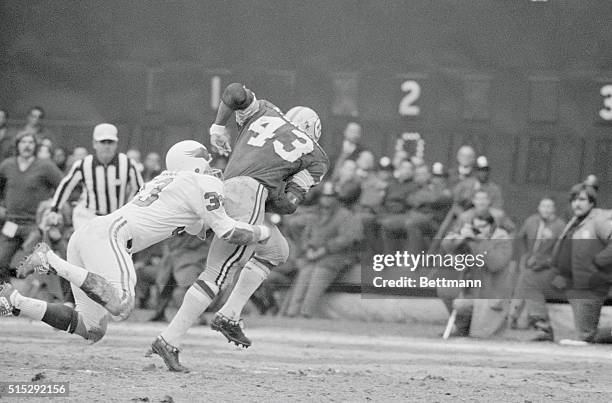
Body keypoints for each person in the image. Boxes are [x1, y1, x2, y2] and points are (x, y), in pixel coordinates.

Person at [0, 140, 272, 350]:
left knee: (91, 327)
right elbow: (227, 231)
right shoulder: (202, 181)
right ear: (195, 164)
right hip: (112, 235)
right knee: (123, 305)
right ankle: (52, 261)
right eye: (208, 161)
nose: (214, 167)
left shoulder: (169, 180)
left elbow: (201, 228)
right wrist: (262, 230)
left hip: (92, 234)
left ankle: (16, 302)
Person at [153, 83, 328, 371]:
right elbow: (289, 204)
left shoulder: (266, 111)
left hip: (222, 188)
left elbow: (234, 91)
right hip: (252, 195)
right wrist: (274, 183)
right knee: (217, 272)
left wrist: (218, 128)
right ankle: (169, 340)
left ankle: (230, 313)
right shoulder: (316, 155)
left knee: (276, 250)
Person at [286, 182, 363, 317]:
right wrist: (308, 248)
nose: (327, 200)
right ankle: (292, 313)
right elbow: (306, 235)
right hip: (313, 255)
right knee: (305, 272)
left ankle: (306, 313)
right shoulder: (316, 214)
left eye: (331, 197)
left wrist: (325, 249)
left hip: (335, 257)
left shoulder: (346, 215)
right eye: (325, 197)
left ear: (336, 198)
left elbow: (348, 238)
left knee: (319, 273)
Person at [48, 124, 143, 231]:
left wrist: (129, 209)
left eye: (110, 142)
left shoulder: (128, 164)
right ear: (94, 144)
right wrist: (54, 209)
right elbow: (66, 186)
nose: (107, 146)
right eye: (103, 142)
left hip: (116, 218)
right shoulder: (83, 164)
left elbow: (140, 189)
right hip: (89, 217)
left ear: (116, 144)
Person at [550, 183, 612, 344]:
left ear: (592, 203)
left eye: (582, 199)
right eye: (574, 199)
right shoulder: (575, 221)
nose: (577, 203)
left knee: (586, 335)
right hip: (574, 285)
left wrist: (599, 261)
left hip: (592, 283)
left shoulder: (599, 219)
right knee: (585, 333)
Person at [0, 132, 64, 281]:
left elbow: (64, 186)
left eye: (30, 142)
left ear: (35, 146)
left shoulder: (45, 166)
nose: (27, 145)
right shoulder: (7, 165)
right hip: (11, 223)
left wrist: (53, 206)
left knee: (30, 268)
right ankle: (8, 300)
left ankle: (27, 301)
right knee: (1, 262)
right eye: (23, 142)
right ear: (17, 145)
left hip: (34, 226)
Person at [511, 198, 565, 341]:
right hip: (529, 261)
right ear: (539, 208)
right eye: (544, 206)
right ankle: (517, 318)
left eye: (549, 207)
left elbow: (563, 250)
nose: (546, 209)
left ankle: (523, 319)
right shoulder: (531, 221)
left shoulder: (560, 225)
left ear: (554, 209)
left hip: (548, 267)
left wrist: (546, 261)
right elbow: (521, 237)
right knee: (522, 283)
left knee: (527, 282)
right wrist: (524, 255)